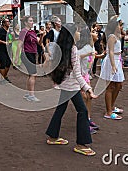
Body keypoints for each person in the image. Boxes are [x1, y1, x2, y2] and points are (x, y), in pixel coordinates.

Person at [46, 23, 98, 156]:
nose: (79, 34)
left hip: (65, 85)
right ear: (71, 34)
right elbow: (77, 73)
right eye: (77, 31)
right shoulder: (72, 49)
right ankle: (81, 144)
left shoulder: (61, 48)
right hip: (72, 87)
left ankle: (53, 137)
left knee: (61, 109)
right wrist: (88, 88)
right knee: (82, 111)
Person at [100, 16, 125, 119]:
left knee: (118, 85)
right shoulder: (111, 36)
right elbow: (110, 51)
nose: (121, 26)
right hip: (112, 61)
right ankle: (108, 112)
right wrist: (113, 65)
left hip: (117, 60)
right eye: (119, 25)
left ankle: (112, 106)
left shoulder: (116, 35)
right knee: (110, 86)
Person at [77, 26, 98, 133]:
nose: (96, 33)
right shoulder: (82, 48)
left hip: (86, 75)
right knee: (84, 99)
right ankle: (84, 123)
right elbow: (77, 56)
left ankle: (88, 118)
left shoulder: (91, 46)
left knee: (89, 98)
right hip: (80, 76)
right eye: (93, 32)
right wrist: (88, 54)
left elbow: (91, 59)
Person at [19, 16, 45, 102]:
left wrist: (41, 36)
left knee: (31, 74)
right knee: (33, 74)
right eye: (30, 21)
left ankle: (28, 94)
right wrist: (16, 57)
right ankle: (31, 95)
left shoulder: (33, 32)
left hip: (33, 54)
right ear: (25, 23)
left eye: (32, 21)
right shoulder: (24, 31)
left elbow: (39, 43)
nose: (32, 22)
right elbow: (19, 44)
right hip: (27, 54)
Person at [0, 18, 12, 84]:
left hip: (8, 49)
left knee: (8, 63)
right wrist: (4, 42)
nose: (9, 23)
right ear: (4, 23)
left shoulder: (10, 30)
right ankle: (2, 79)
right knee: (3, 62)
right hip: (1, 48)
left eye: (9, 21)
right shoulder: (0, 30)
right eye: (7, 22)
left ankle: (5, 76)